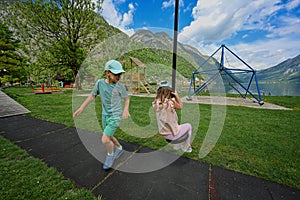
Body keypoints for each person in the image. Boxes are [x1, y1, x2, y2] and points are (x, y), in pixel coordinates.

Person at [73, 59, 130, 169]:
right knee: (109, 136)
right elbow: (92, 96)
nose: (119, 76)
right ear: (108, 72)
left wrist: (125, 110)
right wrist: (81, 107)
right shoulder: (100, 83)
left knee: (105, 139)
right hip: (105, 115)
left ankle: (110, 155)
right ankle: (119, 148)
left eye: (120, 74)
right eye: (116, 74)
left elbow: (126, 99)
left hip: (115, 115)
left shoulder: (120, 86)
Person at [152, 81, 192, 152]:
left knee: (175, 124)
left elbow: (161, 100)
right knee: (188, 126)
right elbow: (180, 107)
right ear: (170, 92)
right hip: (172, 134)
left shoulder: (156, 103)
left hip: (163, 133)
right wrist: (176, 95)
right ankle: (187, 147)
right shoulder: (170, 103)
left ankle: (177, 146)